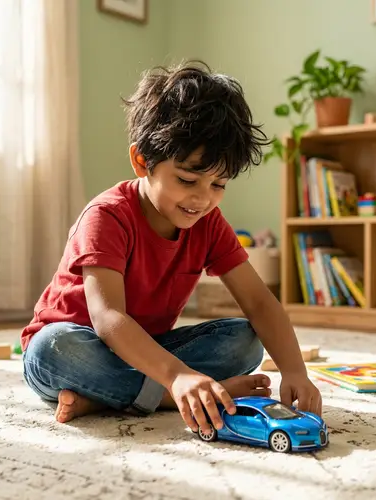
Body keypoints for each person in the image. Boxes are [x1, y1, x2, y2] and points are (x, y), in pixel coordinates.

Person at [21, 60, 322, 435]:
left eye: (219, 184)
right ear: (141, 161)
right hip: (79, 345)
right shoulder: (107, 216)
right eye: (187, 179)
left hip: (146, 349)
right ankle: (165, 395)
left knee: (245, 341)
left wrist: (295, 371)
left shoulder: (208, 223)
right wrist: (177, 375)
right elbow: (109, 319)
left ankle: (107, 396)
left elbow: (260, 302)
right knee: (54, 348)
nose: (202, 199)